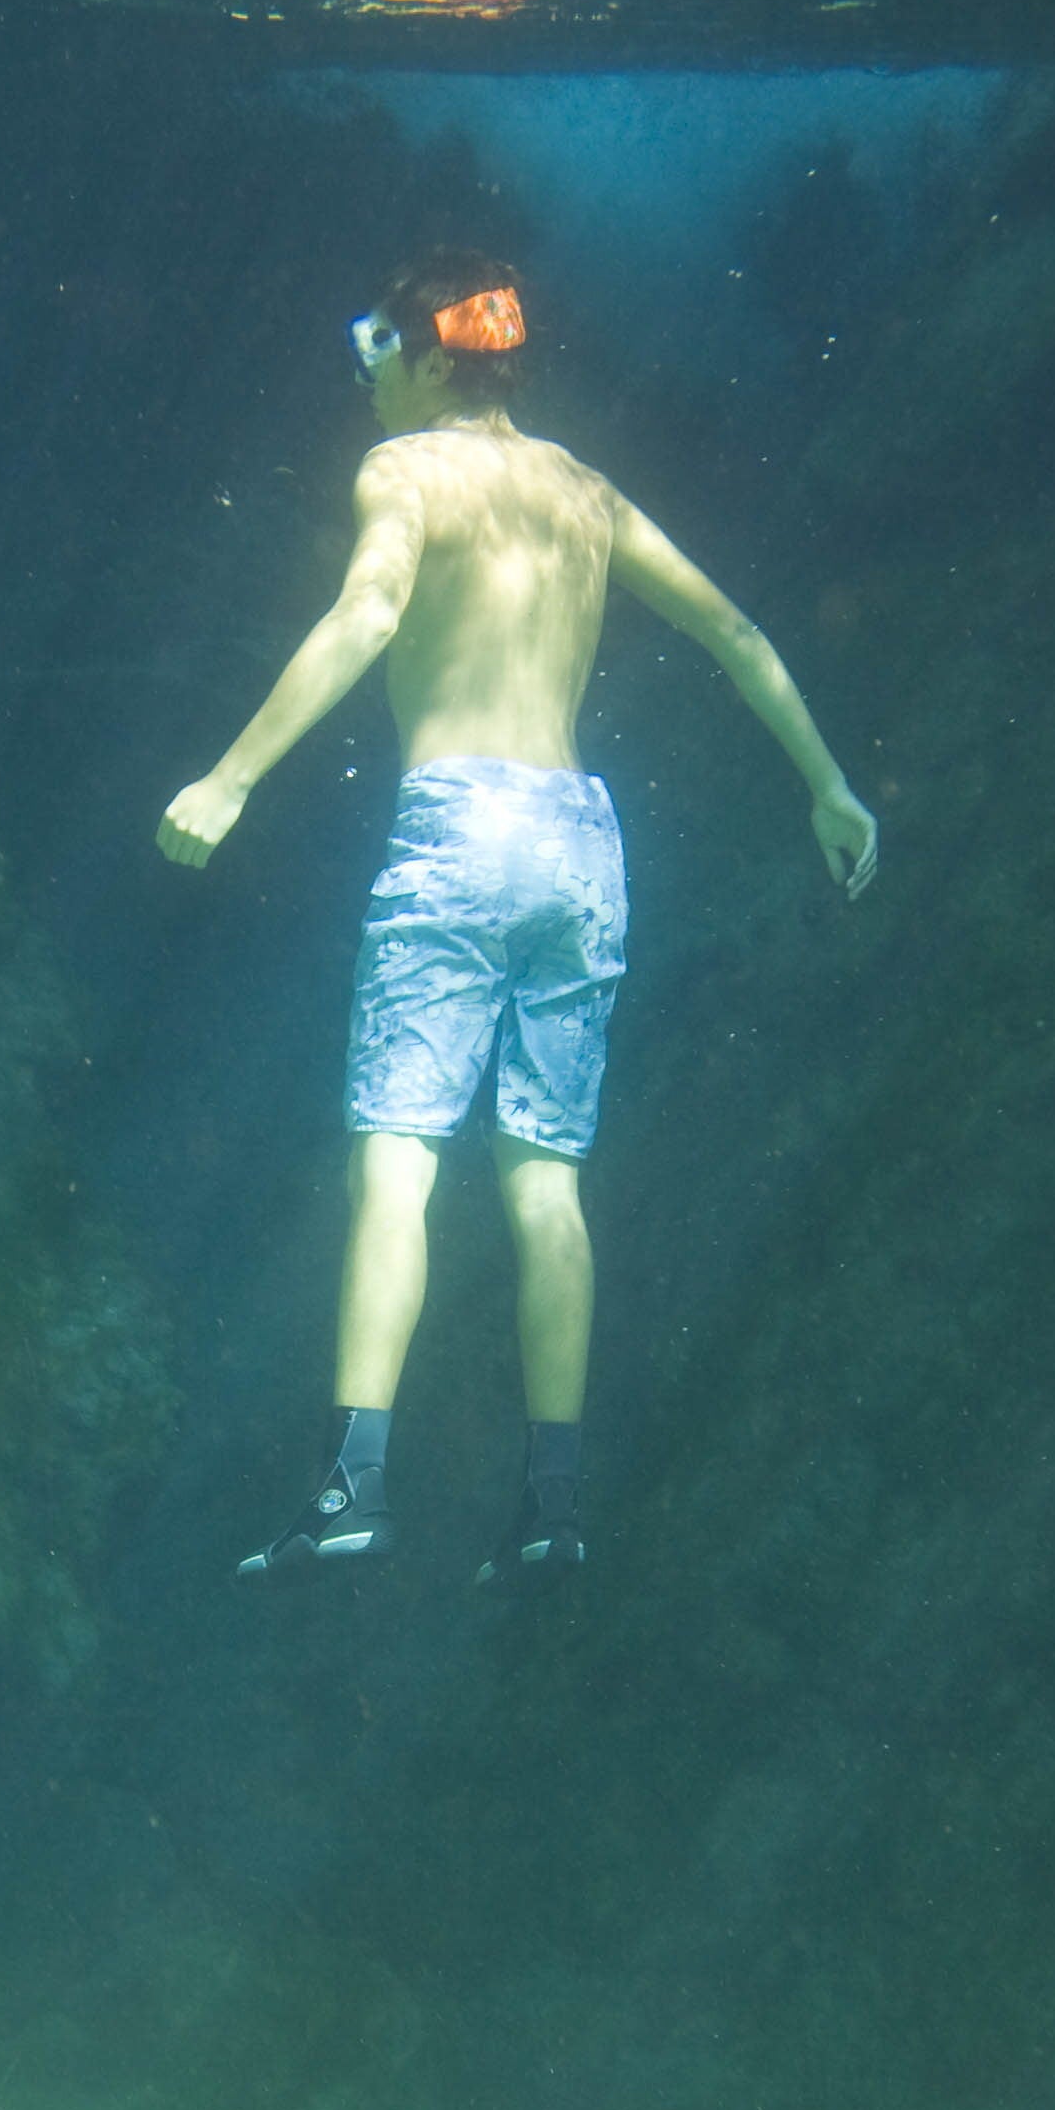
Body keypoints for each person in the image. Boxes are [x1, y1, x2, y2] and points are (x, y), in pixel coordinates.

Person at [156, 251, 878, 1590]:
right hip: (579, 842)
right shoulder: (584, 494)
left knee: (401, 1155)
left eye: (375, 346)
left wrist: (231, 774)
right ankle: (552, 1507)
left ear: (435, 360)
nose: (364, 373)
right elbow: (734, 629)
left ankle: (351, 1487)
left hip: (458, 831)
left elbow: (370, 611)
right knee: (545, 1178)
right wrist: (829, 785)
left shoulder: (408, 474)